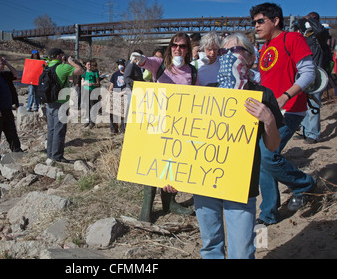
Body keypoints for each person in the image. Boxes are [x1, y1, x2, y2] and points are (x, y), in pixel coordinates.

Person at [164, 33, 283, 259]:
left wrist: (268, 119)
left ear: (249, 57)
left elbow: (273, 145)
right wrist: (175, 173)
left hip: (241, 185)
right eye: (224, 52)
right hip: (205, 181)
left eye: (234, 51)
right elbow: (188, 136)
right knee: (210, 247)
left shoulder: (262, 95)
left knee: (242, 251)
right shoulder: (208, 91)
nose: (229, 57)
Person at [250, 2, 317, 225]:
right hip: (268, 110)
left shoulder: (293, 39)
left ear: (276, 20)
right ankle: (268, 213)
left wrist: (286, 96)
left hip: (290, 109)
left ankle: (304, 184)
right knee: (262, 158)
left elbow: (309, 73)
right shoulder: (265, 47)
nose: (256, 26)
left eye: (260, 21)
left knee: (268, 155)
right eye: (254, 22)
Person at [129, 32, 197, 222]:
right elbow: (146, 61)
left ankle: (170, 202)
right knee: (153, 161)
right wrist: (140, 58)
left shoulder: (193, 72)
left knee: (173, 162)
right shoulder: (159, 65)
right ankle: (147, 206)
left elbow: (198, 98)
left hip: (179, 125)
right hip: (156, 122)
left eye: (183, 46)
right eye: (175, 45)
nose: (178, 49)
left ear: (188, 50)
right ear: (170, 47)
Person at [295, 12, 331, 144]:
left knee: (314, 104)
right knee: (304, 105)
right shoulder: (306, 38)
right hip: (304, 74)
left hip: (317, 75)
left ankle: (313, 134)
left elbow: (320, 30)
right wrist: (303, 20)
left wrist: (311, 19)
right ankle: (305, 131)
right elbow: (298, 26)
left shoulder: (320, 38)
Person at [45, 48, 85, 164]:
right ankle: (57, 156)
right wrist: (70, 60)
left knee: (51, 129)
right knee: (59, 130)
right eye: (62, 55)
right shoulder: (62, 67)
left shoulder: (47, 66)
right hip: (61, 102)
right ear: (58, 56)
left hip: (50, 102)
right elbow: (80, 70)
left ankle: (50, 154)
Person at [81, 59, 100, 129]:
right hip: (86, 91)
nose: (89, 66)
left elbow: (98, 83)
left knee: (92, 106)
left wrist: (92, 84)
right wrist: (84, 83)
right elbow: (82, 82)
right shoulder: (84, 73)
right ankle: (87, 120)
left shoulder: (95, 73)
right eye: (88, 64)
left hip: (93, 91)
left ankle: (92, 122)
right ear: (85, 66)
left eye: (90, 64)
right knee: (86, 106)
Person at [109, 59, 126, 134]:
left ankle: (123, 129)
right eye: (119, 64)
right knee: (113, 113)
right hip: (115, 94)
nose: (120, 66)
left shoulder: (127, 74)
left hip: (124, 95)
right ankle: (114, 130)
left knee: (123, 114)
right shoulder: (115, 74)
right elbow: (112, 85)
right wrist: (109, 92)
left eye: (121, 64)